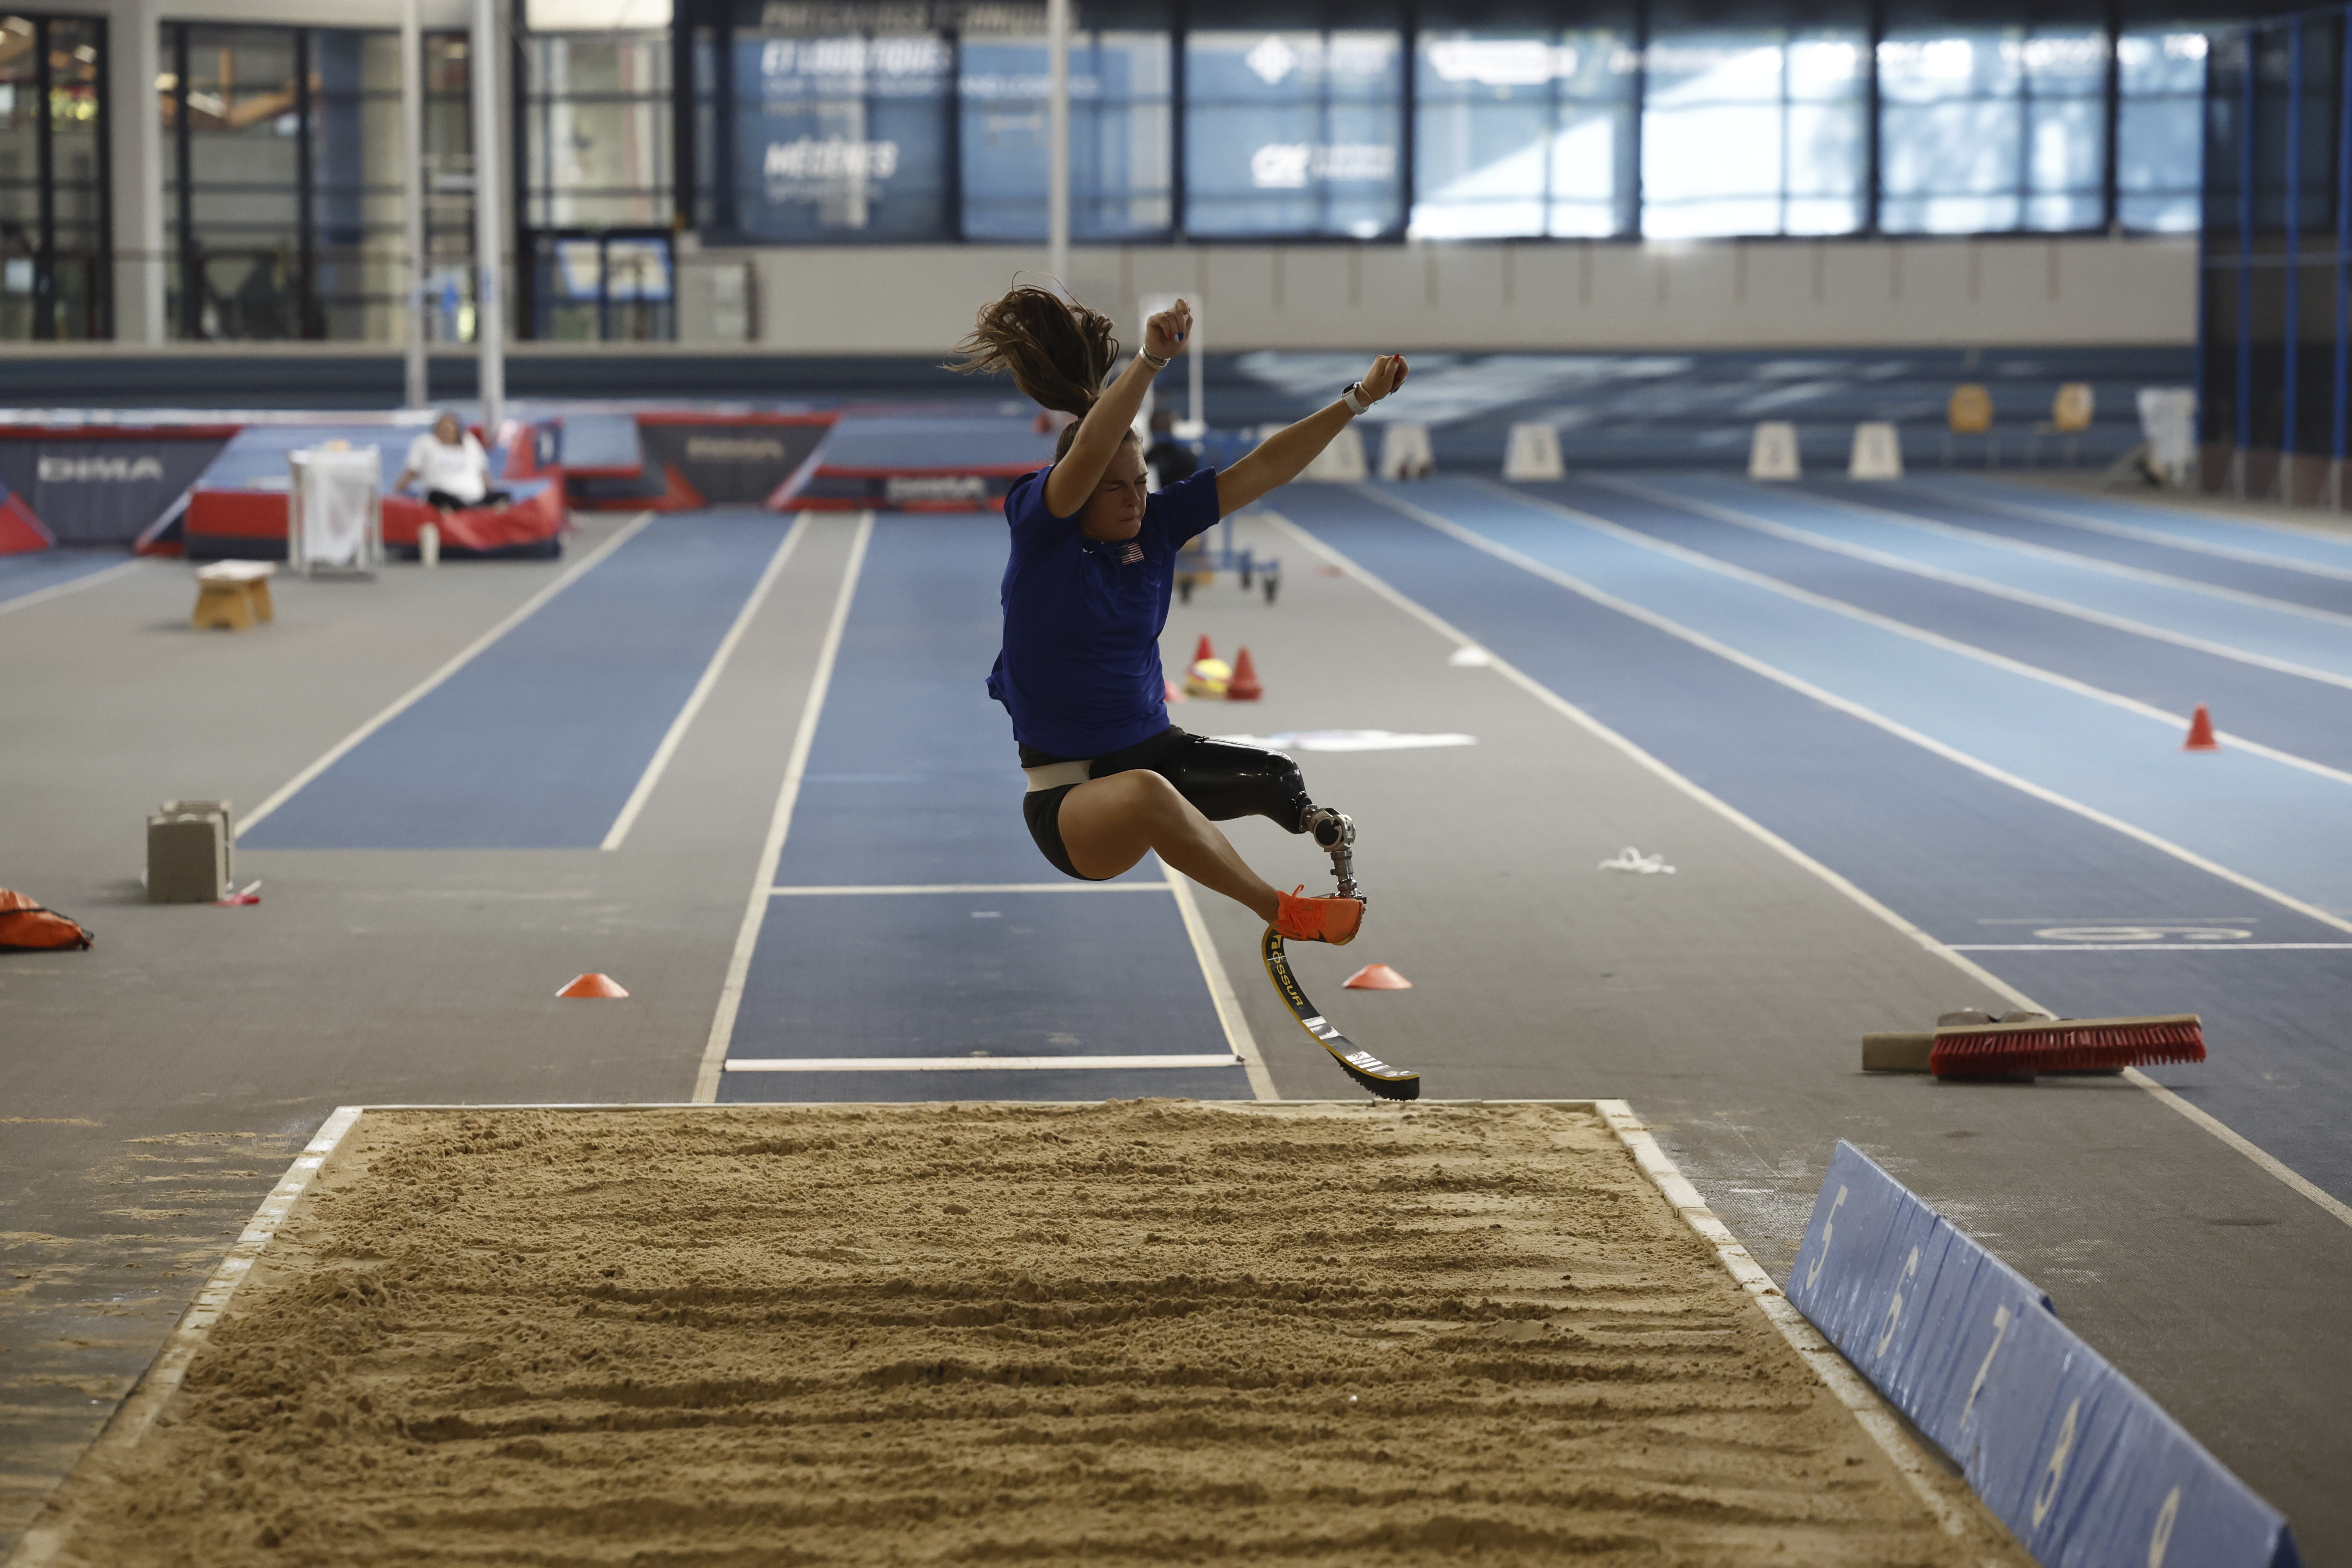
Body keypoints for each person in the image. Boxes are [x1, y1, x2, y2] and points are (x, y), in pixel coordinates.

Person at [950, 283, 1405, 944]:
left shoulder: (1155, 529)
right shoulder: (1042, 531)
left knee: (1276, 775)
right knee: (1145, 795)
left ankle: (1318, 838)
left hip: (1159, 756)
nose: (1136, 500)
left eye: (1141, 484)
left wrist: (1357, 399)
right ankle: (1284, 912)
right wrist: (1150, 362)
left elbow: (1266, 467)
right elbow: (1083, 458)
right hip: (1073, 803)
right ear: (1078, 490)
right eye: (1116, 489)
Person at [395, 412, 510, 512]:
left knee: (505, 496)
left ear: (457, 432)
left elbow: (483, 472)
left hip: (474, 498)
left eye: (449, 430)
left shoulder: (469, 443)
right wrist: (398, 490)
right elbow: (412, 471)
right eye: (442, 430)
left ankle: (479, 512)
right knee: (435, 496)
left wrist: (490, 492)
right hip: (446, 498)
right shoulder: (426, 443)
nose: (445, 433)